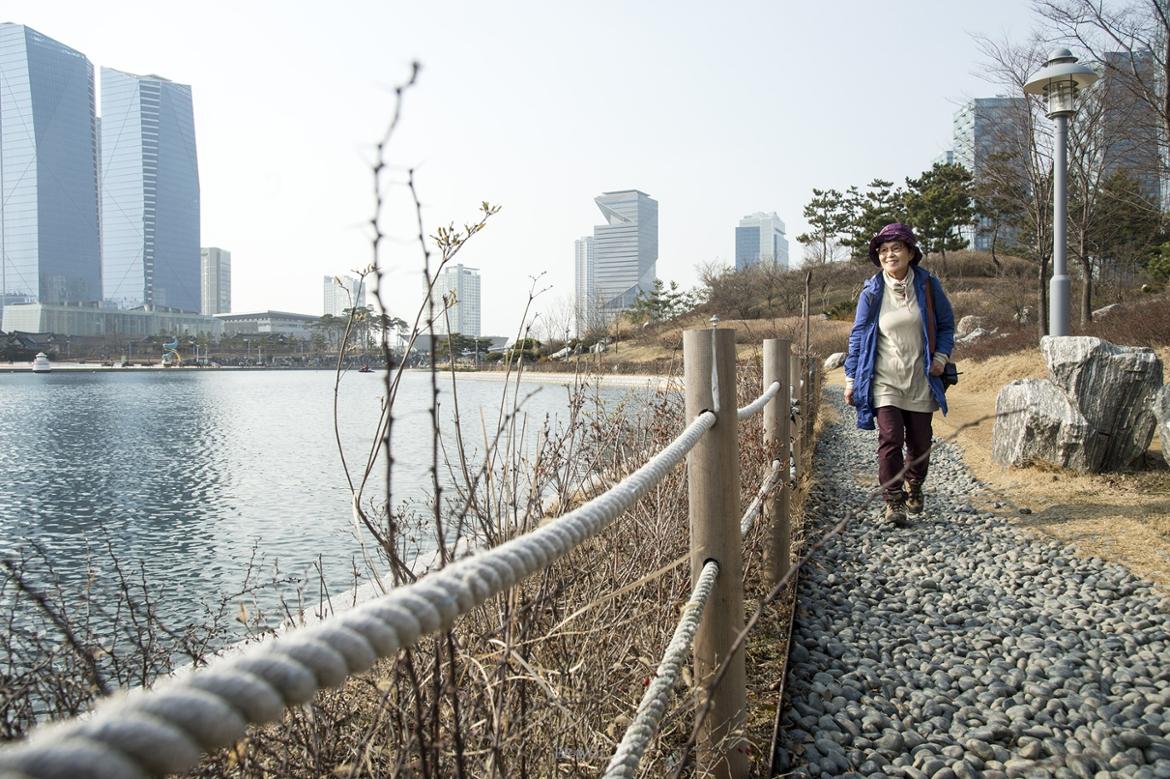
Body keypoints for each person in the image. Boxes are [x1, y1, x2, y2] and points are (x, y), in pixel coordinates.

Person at [844, 223, 954, 527]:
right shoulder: (872, 292)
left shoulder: (928, 285)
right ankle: (893, 501)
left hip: (920, 378)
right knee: (890, 437)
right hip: (884, 379)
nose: (889, 255)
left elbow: (946, 325)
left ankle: (914, 485)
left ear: (909, 252)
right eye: (882, 251)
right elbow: (857, 336)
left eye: (895, 249)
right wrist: (851, 378)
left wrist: (942, 357)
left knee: (921, 442)